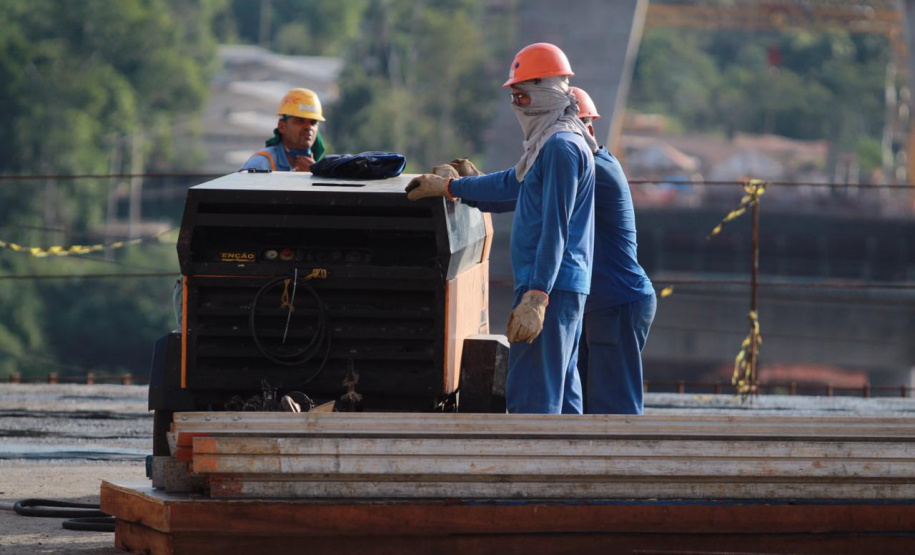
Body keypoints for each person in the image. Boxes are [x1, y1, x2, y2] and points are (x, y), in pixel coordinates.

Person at [438, 87, 656, 415]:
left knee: (613, 410)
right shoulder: (583, 160)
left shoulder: (583, 160)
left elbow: (517, 188)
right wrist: (470, 188)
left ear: (584, 126)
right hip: (604, 300)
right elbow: (525, 192)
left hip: (615, 301)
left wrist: (455, 187)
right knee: (583, 405)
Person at [406, 43, 597, 415]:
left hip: (549, 287)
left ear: (545, 92)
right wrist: (452, 187)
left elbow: (555, 228)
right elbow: (512, 186)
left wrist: (537, 297)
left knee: (533, 396)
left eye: (522, 96)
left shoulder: (560, 147)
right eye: (514, 97)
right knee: (562, 394)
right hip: (560, 285)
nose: (517, 106)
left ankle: (532, 455)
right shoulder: (552, 143)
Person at [241, 88, 327, 172]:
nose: (308, 127)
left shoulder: (322, 168)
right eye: (300, 121)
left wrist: (313, 174)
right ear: (282, 127)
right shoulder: (261, 163)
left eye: (313, 122)